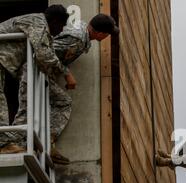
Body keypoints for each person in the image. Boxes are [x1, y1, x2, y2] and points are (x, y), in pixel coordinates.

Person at [2, 13, 119, 164]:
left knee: (60, 101)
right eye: (108, 34)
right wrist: (66, 73)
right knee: (27, 108)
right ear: (100, 34)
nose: (107, 37)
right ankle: (13, 144)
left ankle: (46, 141)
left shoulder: (80, 30)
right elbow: (44, 51)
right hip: (31, 70)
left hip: (40, 71)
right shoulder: (76, 39)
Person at [0, 5, 74, 154]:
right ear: (54, 21)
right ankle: (2, 145)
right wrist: (66, 73)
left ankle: (6, 143)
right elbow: (44, 54)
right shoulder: (38, 22)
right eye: (61, 26)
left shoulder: (37, 23)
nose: (61, 31)